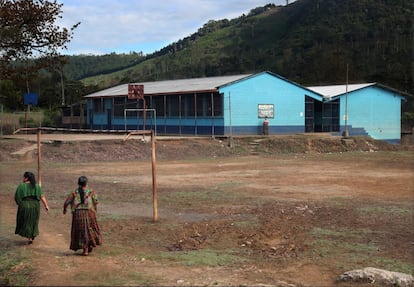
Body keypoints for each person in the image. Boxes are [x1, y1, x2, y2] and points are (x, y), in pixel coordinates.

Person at [63, 176, 102, 256]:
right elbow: (95, 202)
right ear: (86, 183)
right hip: (89, 213)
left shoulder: (74, 192)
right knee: (90, 229)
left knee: (81, 231)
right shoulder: (91, 192)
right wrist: (95, 211)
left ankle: (86, 248)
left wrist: (64, 209)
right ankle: (87, 248)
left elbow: (67, 202)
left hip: (78, 214)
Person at [15, 171, 49, 244]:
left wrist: (21, 205)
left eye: (24, 177)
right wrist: (46, 205)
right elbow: (42, 196)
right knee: (33, 221)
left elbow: (17, 197)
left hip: (24, 205)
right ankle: (31, 236)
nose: (23, 178)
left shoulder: (21, 186)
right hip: (35, 205)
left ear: (26, 178)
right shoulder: (37, 186)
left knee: (25, 221)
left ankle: (29, 236)